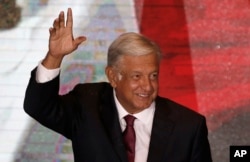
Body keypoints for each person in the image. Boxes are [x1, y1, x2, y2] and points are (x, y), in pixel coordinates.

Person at [24, 8, 212, 162]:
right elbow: (39, 107)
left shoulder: (188, 127)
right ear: (113, 76)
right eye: (137, 76)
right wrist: (55, 57)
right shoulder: (87, 106)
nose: (147, 86)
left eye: (153, 75)